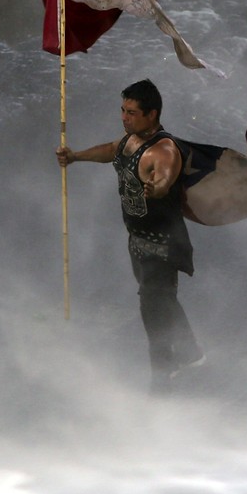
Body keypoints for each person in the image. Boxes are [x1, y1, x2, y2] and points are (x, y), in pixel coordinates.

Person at [57, 79, 204, 394]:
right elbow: (111, 151)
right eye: (123, 110)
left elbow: (165, 175)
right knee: (160, 301)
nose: (124, 117)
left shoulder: (165, 149)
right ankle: (187, 354)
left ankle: (164, 375)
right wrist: (75, 156)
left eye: (132, 113)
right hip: (137, 240)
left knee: (152, 305)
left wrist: (158, 187)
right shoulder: (130, 140)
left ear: (152, 114)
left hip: (163, 244)